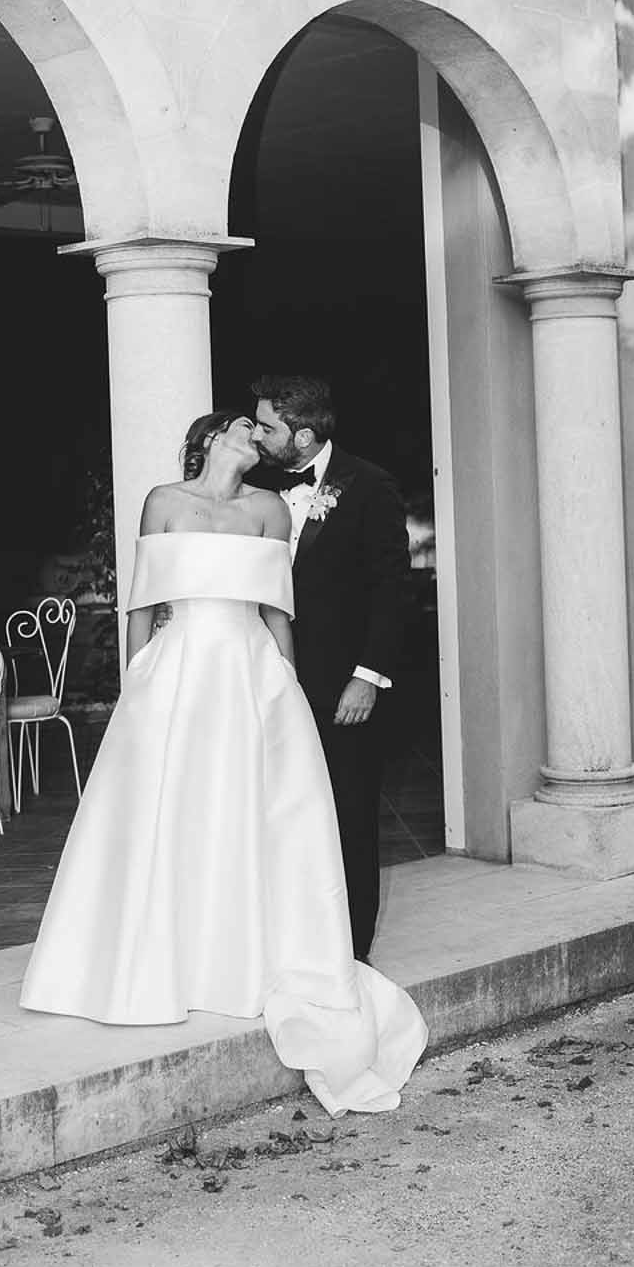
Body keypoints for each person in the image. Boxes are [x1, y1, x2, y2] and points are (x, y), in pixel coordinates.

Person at [19, 407, 426, 1116]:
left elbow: (277, 609)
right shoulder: (162, 502)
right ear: (209, 441)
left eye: (258, 427)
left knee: (246, 811)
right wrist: (135, 676)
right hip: (176, 671)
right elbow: (142, 600)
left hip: (248, 668)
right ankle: (155, 954)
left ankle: (240, 955)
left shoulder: (269, 509)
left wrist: (287, 686)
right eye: (243, 426)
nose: (254, 436)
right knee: (166, 811)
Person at [249, 373, 411, 963]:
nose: (258, 435)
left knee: (349, 809)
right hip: (267, 675)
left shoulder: (370, 486)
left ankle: (351, 950)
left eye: (269, 426)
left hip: (342, 682)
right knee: (279, 807)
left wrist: (367, 675)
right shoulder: (252, 487)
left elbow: (392, 589)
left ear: (305, 434)